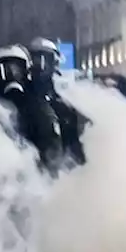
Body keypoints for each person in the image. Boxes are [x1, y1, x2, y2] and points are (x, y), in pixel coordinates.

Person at [0, 43, 64, 167]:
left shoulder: (39, 109)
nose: (11, 76)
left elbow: (52, 152)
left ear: (27, 71)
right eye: (3, 71)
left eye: (16, 70)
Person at [27, 37, 87, 166]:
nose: (40, 66)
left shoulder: (65, 97)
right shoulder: (23, 96)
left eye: (45, 60)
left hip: (60, 163)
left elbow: (74, 139)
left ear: (54, 62)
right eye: (36, 60)